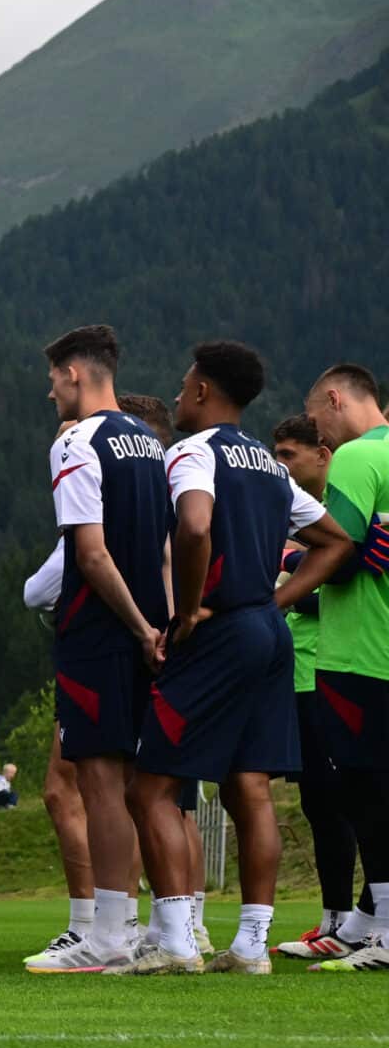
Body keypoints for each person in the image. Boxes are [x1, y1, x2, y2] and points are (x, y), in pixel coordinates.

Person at [126, 342, 352, 974]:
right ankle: (252, 946)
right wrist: (275, 602)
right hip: (267, 634)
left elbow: (195, 526)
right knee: (248, 787)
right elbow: (336, 542)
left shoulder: (193, 452)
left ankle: (176, 942)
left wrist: (188, 610)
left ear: (203, 391)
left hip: (221, 632)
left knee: (151, 788)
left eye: (183, 386)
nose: (177, 396)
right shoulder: (269, 466)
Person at [25, 325, 168, 975]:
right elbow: (164, 548)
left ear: (75, 374)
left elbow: (89, 553)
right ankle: (133, 927)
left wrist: (136, 626)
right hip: (148, 634)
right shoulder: (150, 442)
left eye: (53, 378)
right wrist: (160, 627)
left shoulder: (77, 441)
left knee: (101, 784)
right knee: (135, 785)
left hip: (100, 635)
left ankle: (108, 933)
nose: (50, 391)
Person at [269, 415, 375, 958]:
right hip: (299, 675)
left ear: (323, 454)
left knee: (350, 799)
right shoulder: (302, 516)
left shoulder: (343, 514)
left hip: (332, 670)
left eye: (289, 455)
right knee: (319, 801)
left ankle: (364, 918)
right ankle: (337, 918)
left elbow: (341, 584)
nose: (280, 466)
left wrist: (290, 568)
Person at [302, 361, 389, 973]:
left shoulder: (358, 457)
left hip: (355, 649)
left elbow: (340, 551)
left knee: (363, 791)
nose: (319, 438)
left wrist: (285, 568)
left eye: (316, 422)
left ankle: (383, 930)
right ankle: (366, 922)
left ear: (336, 399)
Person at [23, 536, 103, 957]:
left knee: (64, 790)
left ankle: (89, 925)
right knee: (153, 796)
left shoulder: (93, 505)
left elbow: (37, 591)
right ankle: (176, 925)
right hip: (156, 649)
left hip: (94, 653)